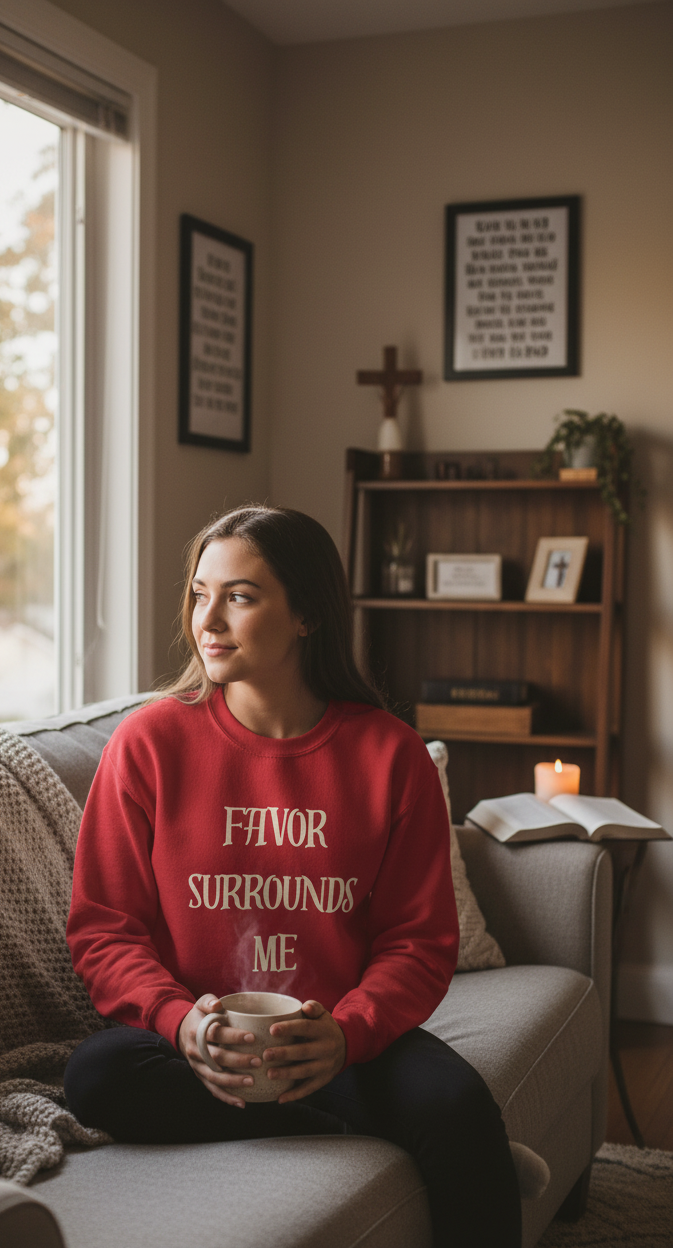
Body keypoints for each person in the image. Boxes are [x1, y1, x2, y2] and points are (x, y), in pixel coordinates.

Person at [64, 505, 522, 1248]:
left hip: (339, 1039)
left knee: (459, 1105)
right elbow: (105, 929)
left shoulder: (390, 754)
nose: (207, 619)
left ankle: (355, 1108)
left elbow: (419, 940)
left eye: (240, 597)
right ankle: (347, 1125)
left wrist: (348, 1034)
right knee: (96, 1077)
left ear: (306, 613)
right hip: (200, 1049)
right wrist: (183, 1024)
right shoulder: (148, 743)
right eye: (199, 593)